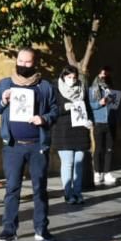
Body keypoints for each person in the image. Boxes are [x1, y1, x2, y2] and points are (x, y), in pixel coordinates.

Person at [0, 47, 59, 241]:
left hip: (38, 145)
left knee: (40, 189)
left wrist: (43, 119)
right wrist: (3, 101)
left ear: (35, 63)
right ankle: (9, 229)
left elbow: (55, 110)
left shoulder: (44, 86)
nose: (24, 65)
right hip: (13, 146)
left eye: (28, 62)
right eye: (21, 61)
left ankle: (41, 229)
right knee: (12, 188)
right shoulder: (5, 84)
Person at [52, 67, 91, 205]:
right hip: (63, 131)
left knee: (79, 163)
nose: (72, 80)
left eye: (74, 78)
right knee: (68, 163)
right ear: (63, 77)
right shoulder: (56, 88)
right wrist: (64, 108)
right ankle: (68, 194)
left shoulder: (82, 88)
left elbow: (88, 106)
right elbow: (52, 109)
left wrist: (90, 120)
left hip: (80, 130)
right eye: (69, 77)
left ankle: (78, 192)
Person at [88, 67, 119, 186]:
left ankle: (107, 172)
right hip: (98, 122)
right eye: (101, 75)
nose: (103, 77)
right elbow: (89, 105)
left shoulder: (111, 90)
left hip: (110, 121)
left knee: (109, 149)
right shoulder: (92, 90)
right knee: (98, 148)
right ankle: (97, 172)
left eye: (105, 75)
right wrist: (99, 103)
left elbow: (116, 106)